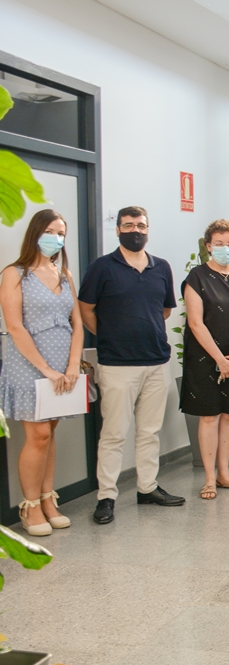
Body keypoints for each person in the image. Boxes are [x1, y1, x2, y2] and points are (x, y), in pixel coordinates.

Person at [79, 206, 185, 525]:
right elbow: (86, 309)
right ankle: (107, 496)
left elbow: (164, 310)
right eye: (128, 225)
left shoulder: (161, 267)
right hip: (117, 364)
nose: (135, 230)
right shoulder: (102, 268)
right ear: (118, 230)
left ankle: (147, 487)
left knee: (149, 432)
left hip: (155, 361)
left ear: (148, 229)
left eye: (140, 225)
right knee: (113, 434)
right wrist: (112, 333)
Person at [0, 210, 83, 536]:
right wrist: (46, 369)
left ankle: (49, 499)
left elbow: (77, 323)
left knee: (50, 433)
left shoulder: (64, 274)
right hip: (29, 365)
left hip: (63, 368)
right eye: (50, 231)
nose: (56, 238)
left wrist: (73, 364)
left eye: (61, 233)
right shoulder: (14, 273)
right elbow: (15, 327)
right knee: (38, 435)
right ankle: (30, 505)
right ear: (35, 233)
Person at [180, 219, 229, 500]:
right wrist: (220, 360)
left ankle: (225, 474)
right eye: (219, 244)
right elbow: (196, 324)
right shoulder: (196, 278)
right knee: (210, 416)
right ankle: (210, 479)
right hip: (204, 359)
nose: (225, 248)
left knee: (228, 416)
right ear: (208, 246)